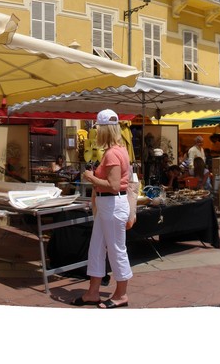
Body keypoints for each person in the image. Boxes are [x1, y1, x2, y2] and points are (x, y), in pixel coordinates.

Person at [76, 109, 134, 308]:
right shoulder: (120, 150)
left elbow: (114, 185)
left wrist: (91, 177)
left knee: (116, 249)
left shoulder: (111, 154)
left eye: (98, 128)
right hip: (108, 204)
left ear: (102, 130)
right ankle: (93, 292)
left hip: (111, 203)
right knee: (97, 247)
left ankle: (121, 294)